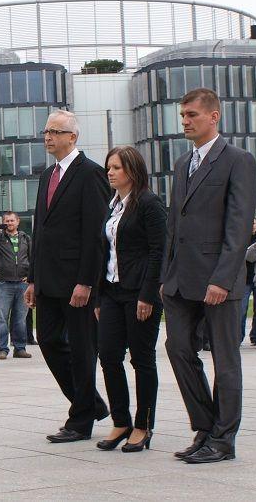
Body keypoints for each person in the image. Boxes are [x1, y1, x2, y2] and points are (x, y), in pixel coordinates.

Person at [161, 88, 256, 464]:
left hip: (219, 282)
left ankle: (224, 439)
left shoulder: (238, 160)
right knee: (178, 348)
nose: (185, 121)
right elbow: (174, 223)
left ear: (213, 116)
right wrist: (166, 275)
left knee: (225, 359)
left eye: (191, 115)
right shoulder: (183, 162)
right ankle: (205, 427)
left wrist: (222, 278)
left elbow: (237, 226)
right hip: (181, 281)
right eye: (182, 115)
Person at [22, 110, 110, 444]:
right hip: (47, 280)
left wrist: (87, 281)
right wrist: (32, 279)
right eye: (45, 131)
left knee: (84, 349)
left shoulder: (90, 174)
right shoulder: (48, 176)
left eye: (55, 132)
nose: (48, 137)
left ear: (72, 137)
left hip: (77, 282)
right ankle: (89, 402)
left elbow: (95, 234)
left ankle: (80, 420)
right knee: (48, 340)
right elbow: (40, 230)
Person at [94, 146, 166, 453]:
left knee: (142, 359)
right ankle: (120, 421)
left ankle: (143, 425)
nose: (110, 172)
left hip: (140, 294)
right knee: (109, 356)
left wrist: (148, 294)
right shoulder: (112, 207)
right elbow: (105, 253)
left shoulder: (150, 204)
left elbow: (158, 252)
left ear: (133, 171)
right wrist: (98, 296)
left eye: (116, 168)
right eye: (108, 167)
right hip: (111, 292)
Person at [0, 212, 33, 360]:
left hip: (22, 283)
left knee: (20, 318)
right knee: (2, 318)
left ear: (18, 221)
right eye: (7, 221)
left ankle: (20, 348)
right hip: (4, 283)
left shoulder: (25, 238)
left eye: (12, 220)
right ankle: (3, 349)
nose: (9, 223)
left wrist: (31, 277)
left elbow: (33, 258)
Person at [238, 219, 256, 344]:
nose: (252, 226)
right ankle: (239, 337)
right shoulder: (240, 238)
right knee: (242, 309)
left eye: (254, 223)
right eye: (250, 222)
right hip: (244, 279)